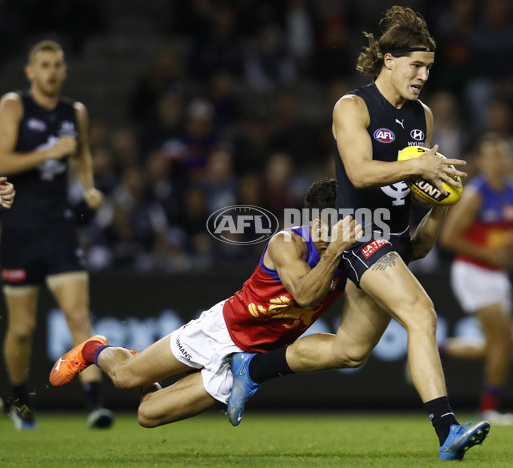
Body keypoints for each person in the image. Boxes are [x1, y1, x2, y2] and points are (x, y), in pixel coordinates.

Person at [227, 6, 490, 461]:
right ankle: (447, 430)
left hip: (397, 238)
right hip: (360, 234)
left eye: (429, 67)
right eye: (416, 65)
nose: (424, 75)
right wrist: (419, 165)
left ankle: (253, 367)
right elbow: (360, 171)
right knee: (421, 314)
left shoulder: (422, 116)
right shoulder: (352, 106)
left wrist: (442, 200)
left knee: (351, 351)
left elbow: (415, 210)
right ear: (388, 59)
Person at [48, 178, 363, 427]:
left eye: (335, 223)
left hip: (247, 361)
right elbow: (306, 295)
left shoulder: (348, 254)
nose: (327, 231)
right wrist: (334, 252)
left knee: (147, 416)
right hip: (221, 329)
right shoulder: (288, 243)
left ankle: (146, 369)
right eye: (321, 223)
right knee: (124, 378)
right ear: (310, 221)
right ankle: (94, 349)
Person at [0, 40, 112, 430]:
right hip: (18, 229)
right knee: (22, 328)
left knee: (79, 316)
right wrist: (48, 153)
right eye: (44, 65)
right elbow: (2, 159)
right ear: (30, 71)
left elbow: (80, 154)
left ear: (64, 71)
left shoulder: (73, 113)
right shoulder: (14, 106)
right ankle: (16, 399)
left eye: (57, 65)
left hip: (60, 228)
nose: (51, 71)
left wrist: (89, 186)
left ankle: (95, 405)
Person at [438, 134, 513, 425]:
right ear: (482, 161)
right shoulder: (475, 194)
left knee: (500, 345)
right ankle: (487, 409)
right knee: (503, 341)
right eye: (494, 155)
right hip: (473, 272)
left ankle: (437, 349)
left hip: (497, 275)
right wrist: (489, 255)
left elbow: (512, 229)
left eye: (504, 155)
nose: (500, 161)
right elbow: (449, 238)